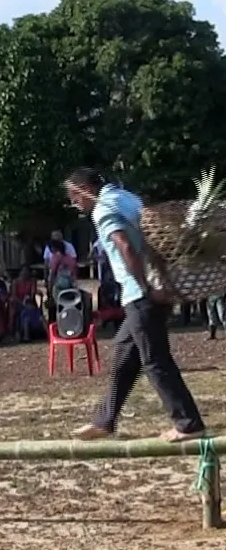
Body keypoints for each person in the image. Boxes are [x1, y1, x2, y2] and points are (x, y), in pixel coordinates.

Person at [64, 168, 207, 443]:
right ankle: (105, 421)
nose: (75, 204)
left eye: (74, 197)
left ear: (84, 189)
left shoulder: (102, 209)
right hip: (157, 285)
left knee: (155, 360)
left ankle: (188, 423)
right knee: (123, 355)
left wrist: (145, 287)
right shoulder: (128, 198)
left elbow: (124, 245)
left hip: (141, 293)